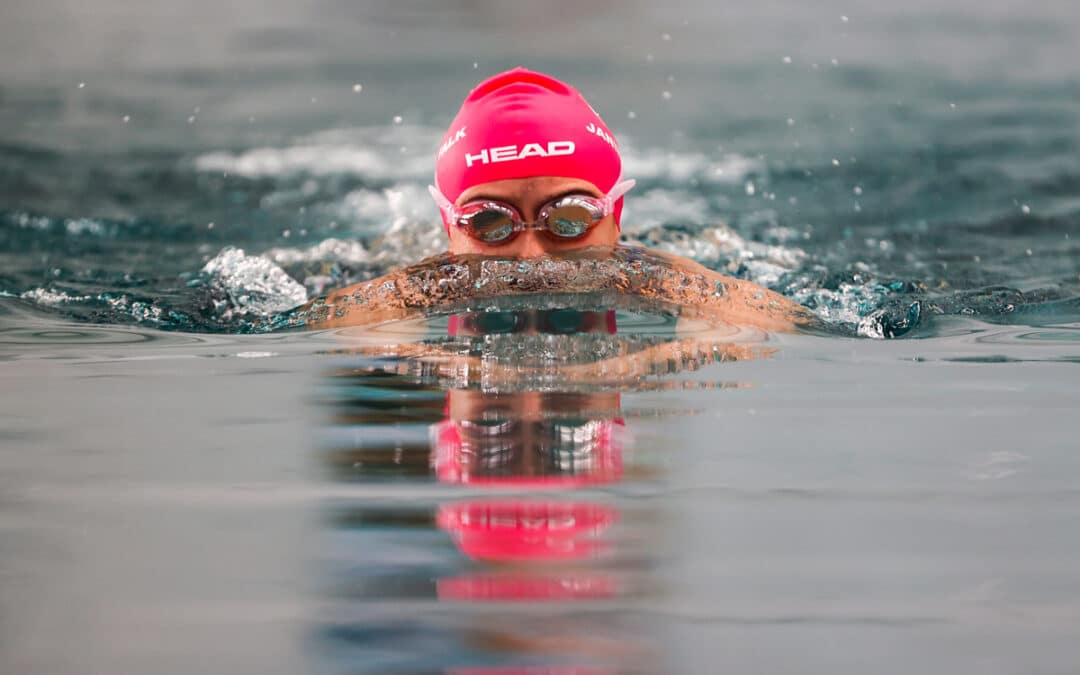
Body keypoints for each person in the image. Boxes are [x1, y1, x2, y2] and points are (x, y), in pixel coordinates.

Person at [305, 67, 815, 333]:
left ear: (615, 216)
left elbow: (773, 322)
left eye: (569, 218)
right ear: (449, 227)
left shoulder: (651, 273)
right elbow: (356, 330)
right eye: (489, 223)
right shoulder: (417, 285)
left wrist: (633, 366)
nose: (532, 256)